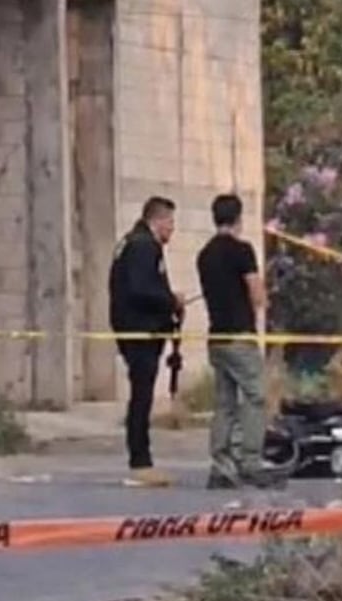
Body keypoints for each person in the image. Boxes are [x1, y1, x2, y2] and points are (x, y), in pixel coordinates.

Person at [196, 193, 285, 489]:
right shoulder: (242, 250)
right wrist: (263, 300)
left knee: (224, 402)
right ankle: (251, 461)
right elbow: (256, 293)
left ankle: (221, 465)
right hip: (239, 336)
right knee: (256, 396)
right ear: (238, 218)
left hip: (217, 337)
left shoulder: (204, 254)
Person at [108, 196, 184, 487]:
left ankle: (141, 459)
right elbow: (141, 289)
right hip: (140, 330)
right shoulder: (143, 246)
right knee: (142, 396)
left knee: (142, 393)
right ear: (159, 220)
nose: (172, 230)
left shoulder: (132, 243)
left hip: (134, 328)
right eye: (171, 223)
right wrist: (170, 300)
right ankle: (140, 462)